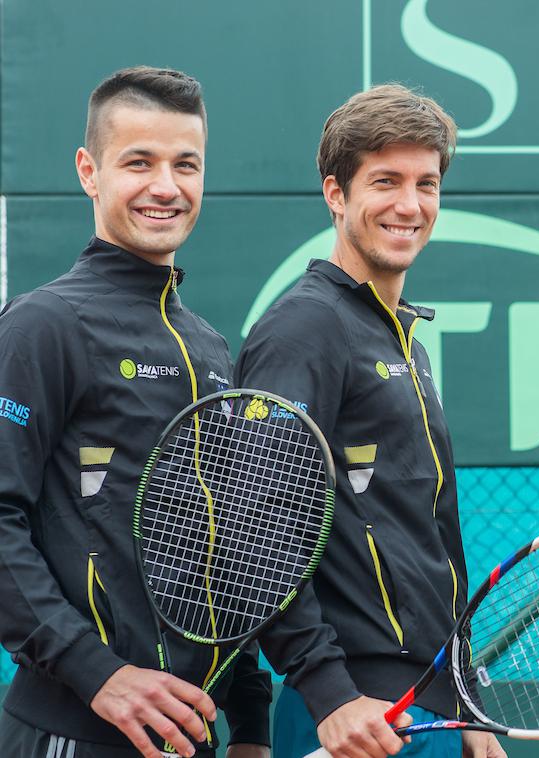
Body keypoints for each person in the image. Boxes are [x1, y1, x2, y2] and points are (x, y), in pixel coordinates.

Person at [0, 67, 270, 758]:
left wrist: (250, 723)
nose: (165, 187)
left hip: (191, 735)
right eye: (138, 162)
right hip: (74, 731)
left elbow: (224, 550)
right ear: (90, 172)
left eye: (186, 164)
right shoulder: (43, 325)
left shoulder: (210, 347)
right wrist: (102, 678)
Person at [236, 84, 506, 758]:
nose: (409, 205)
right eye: (385, 181)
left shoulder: (400, 338)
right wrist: (328, 693)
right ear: (336, 193)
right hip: (351, 713)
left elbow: (431, 531)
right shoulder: (303, 328)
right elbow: (254, 527)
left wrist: (463, 698)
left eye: (426, 183)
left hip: (426, 701)